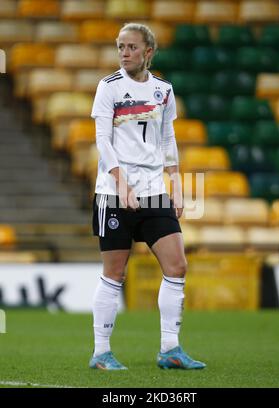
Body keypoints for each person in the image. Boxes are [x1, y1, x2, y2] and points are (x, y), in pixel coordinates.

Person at [89, 22, 206, 371]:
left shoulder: (163, 91)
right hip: (113, 192)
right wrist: (121, 183)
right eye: (120, 47)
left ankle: (170, 348)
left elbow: (168, 139)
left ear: (148, 52)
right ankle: (101, 352)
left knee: (177, 265)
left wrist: (177, 183)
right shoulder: (108, 87)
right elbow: (102, 141)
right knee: (114, 273)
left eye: (131, 47)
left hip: (154, 190)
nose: (124, 53)